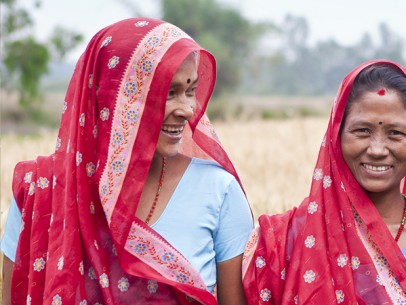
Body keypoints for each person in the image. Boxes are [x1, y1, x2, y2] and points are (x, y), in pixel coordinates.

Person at [0, 18, 253, 305]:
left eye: (190, 90)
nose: (187, 109)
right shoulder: (42, 192)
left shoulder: (217, 191)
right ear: (116, 98)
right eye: (168, 93)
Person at [241, 61, 406, 304]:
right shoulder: (289, 238)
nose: (377, 149)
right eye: (362, 131)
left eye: (395, 133)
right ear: (336, 136)